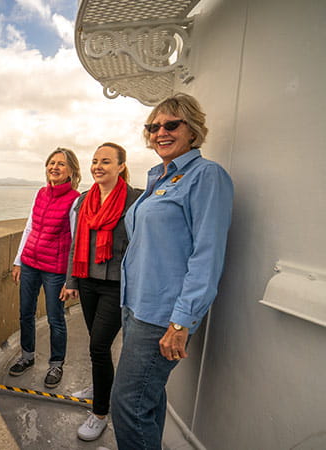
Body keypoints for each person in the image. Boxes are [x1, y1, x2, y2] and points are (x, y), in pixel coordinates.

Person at [110, 93, 233, 449]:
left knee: (128, 405)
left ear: (192, 130)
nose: (160, 132)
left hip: (163, 316)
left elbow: (207, 257)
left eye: (170, 125)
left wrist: (181, 323)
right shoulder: (159, 179)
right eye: (153, 127)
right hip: (136, 307)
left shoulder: (206, 176)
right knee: (148, 398)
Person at [59, 143, 142, 441]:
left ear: (121, 166)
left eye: (106, 161)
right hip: (88, 281)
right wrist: (71, 281)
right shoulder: (83, 202)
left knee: (97, 345)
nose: (98, 166)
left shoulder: (136, 200)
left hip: (117, 285)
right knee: (99, 347)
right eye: (95, 161)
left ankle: (99, 414)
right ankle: (100, 383)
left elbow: (141, 247)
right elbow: (74, 244)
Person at [10, 147, 82, 389]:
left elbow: (76, 239)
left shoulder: (74, 200)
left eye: (61, 164)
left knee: (55, 318)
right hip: (30, 263)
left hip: (55, 269)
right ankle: (27, 356)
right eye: (52, 163)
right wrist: (19, 260)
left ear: (71, 170)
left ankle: (56, 363)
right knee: (25, 314)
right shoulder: (40, 193)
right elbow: (30, 227)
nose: (55, 167)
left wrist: (70, 279)